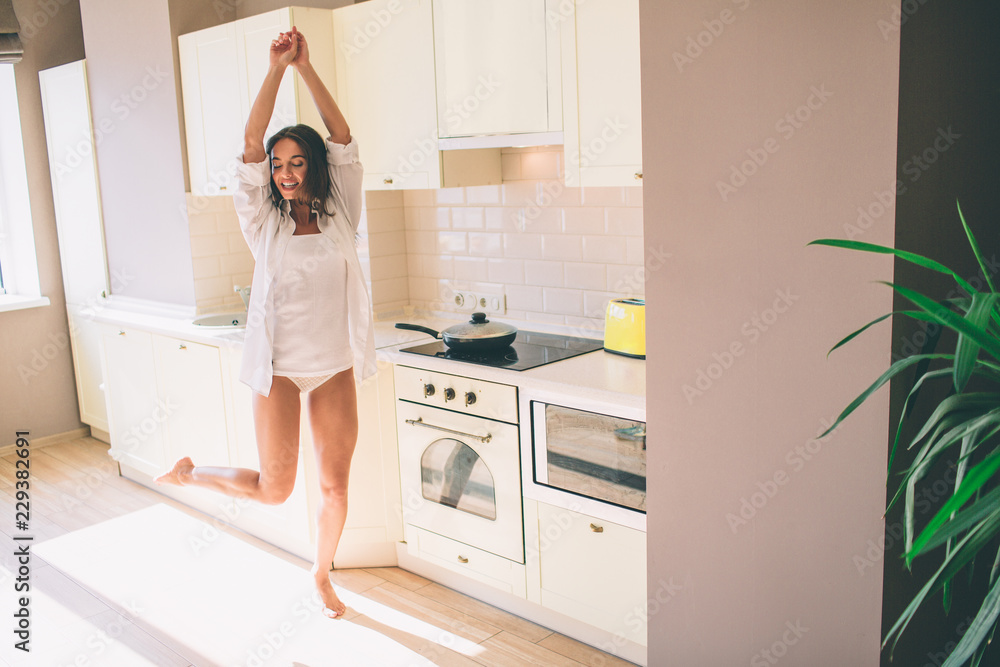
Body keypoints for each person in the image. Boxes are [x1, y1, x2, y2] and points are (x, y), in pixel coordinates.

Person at [155, 26, 376, 619]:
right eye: (279, 164)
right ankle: (192, 472)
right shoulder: (263, 224)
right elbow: (251, 141)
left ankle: (323, 574)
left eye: (297, 162)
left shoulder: (341, 214)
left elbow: (344, 138)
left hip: (332, 366)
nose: (284, 172)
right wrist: (278, 68)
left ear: (316, 168)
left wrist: (308, 69)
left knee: (335, 488)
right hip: (278, 369)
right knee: (277, 490)